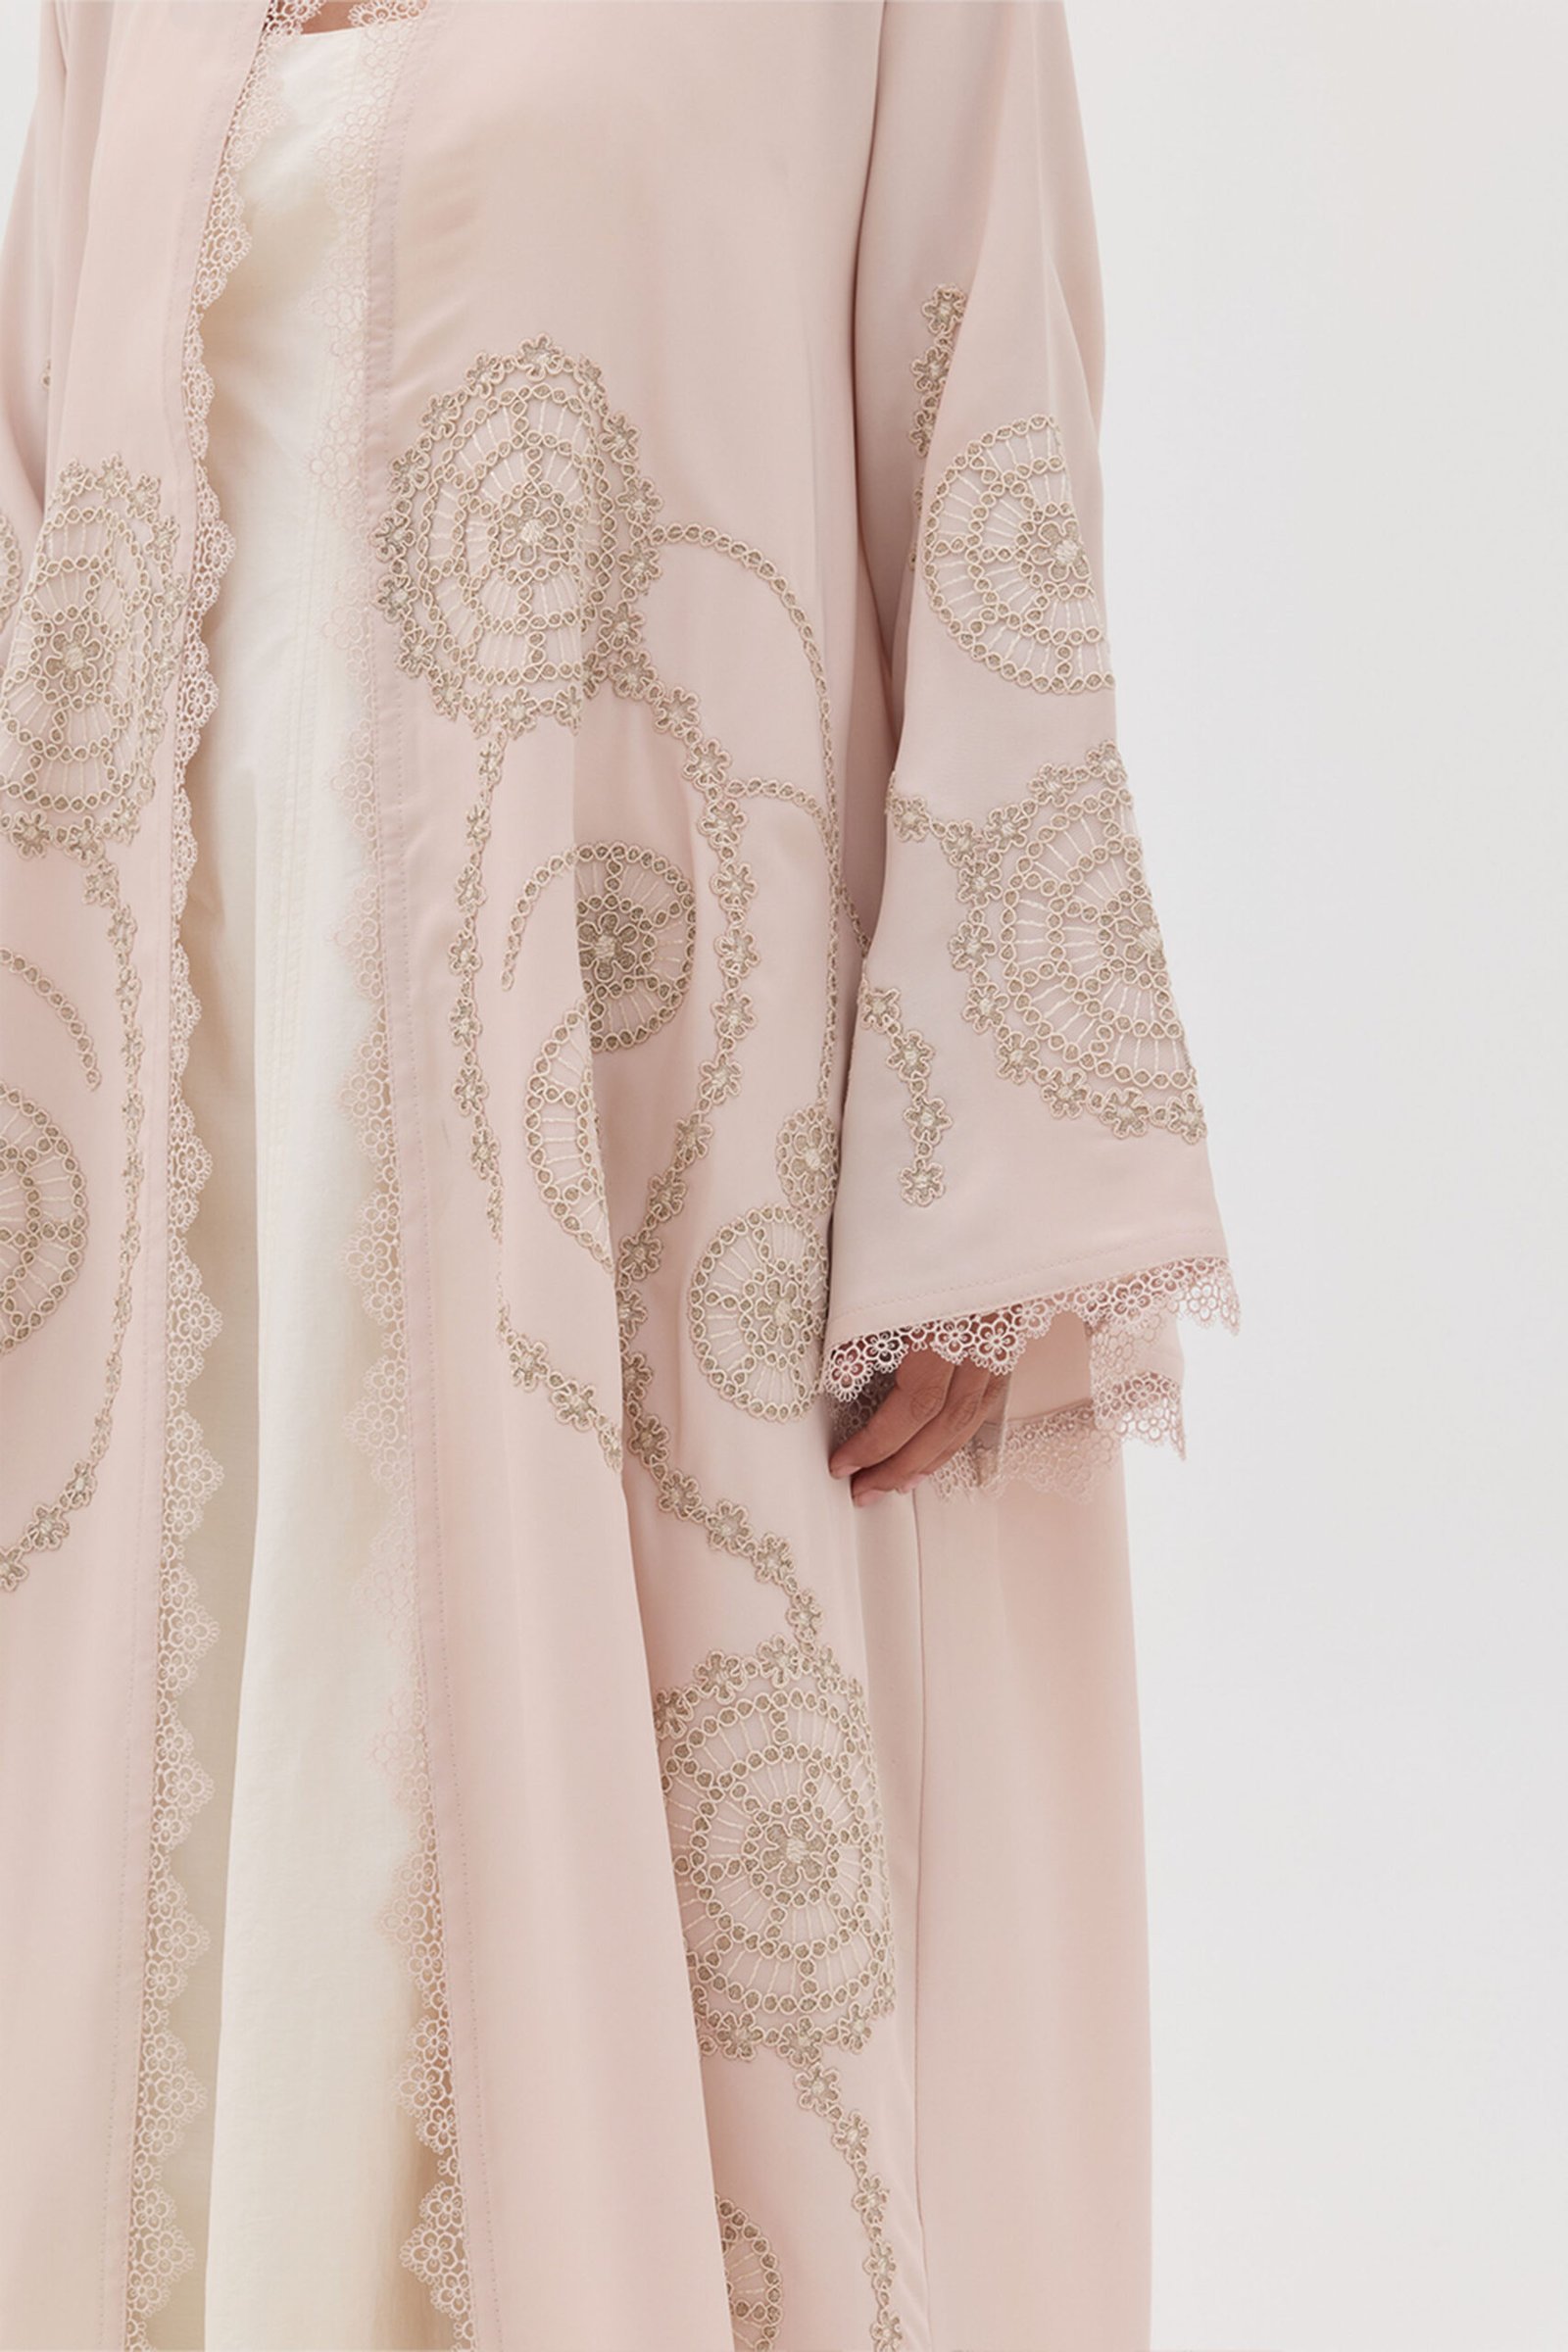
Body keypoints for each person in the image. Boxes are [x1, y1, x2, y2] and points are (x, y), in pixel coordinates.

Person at [0, 5, 1234, 2347]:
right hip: (209, 1156)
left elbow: (991, 449)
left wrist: (979, 1164)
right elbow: (40, 511)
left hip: (646, 1113)